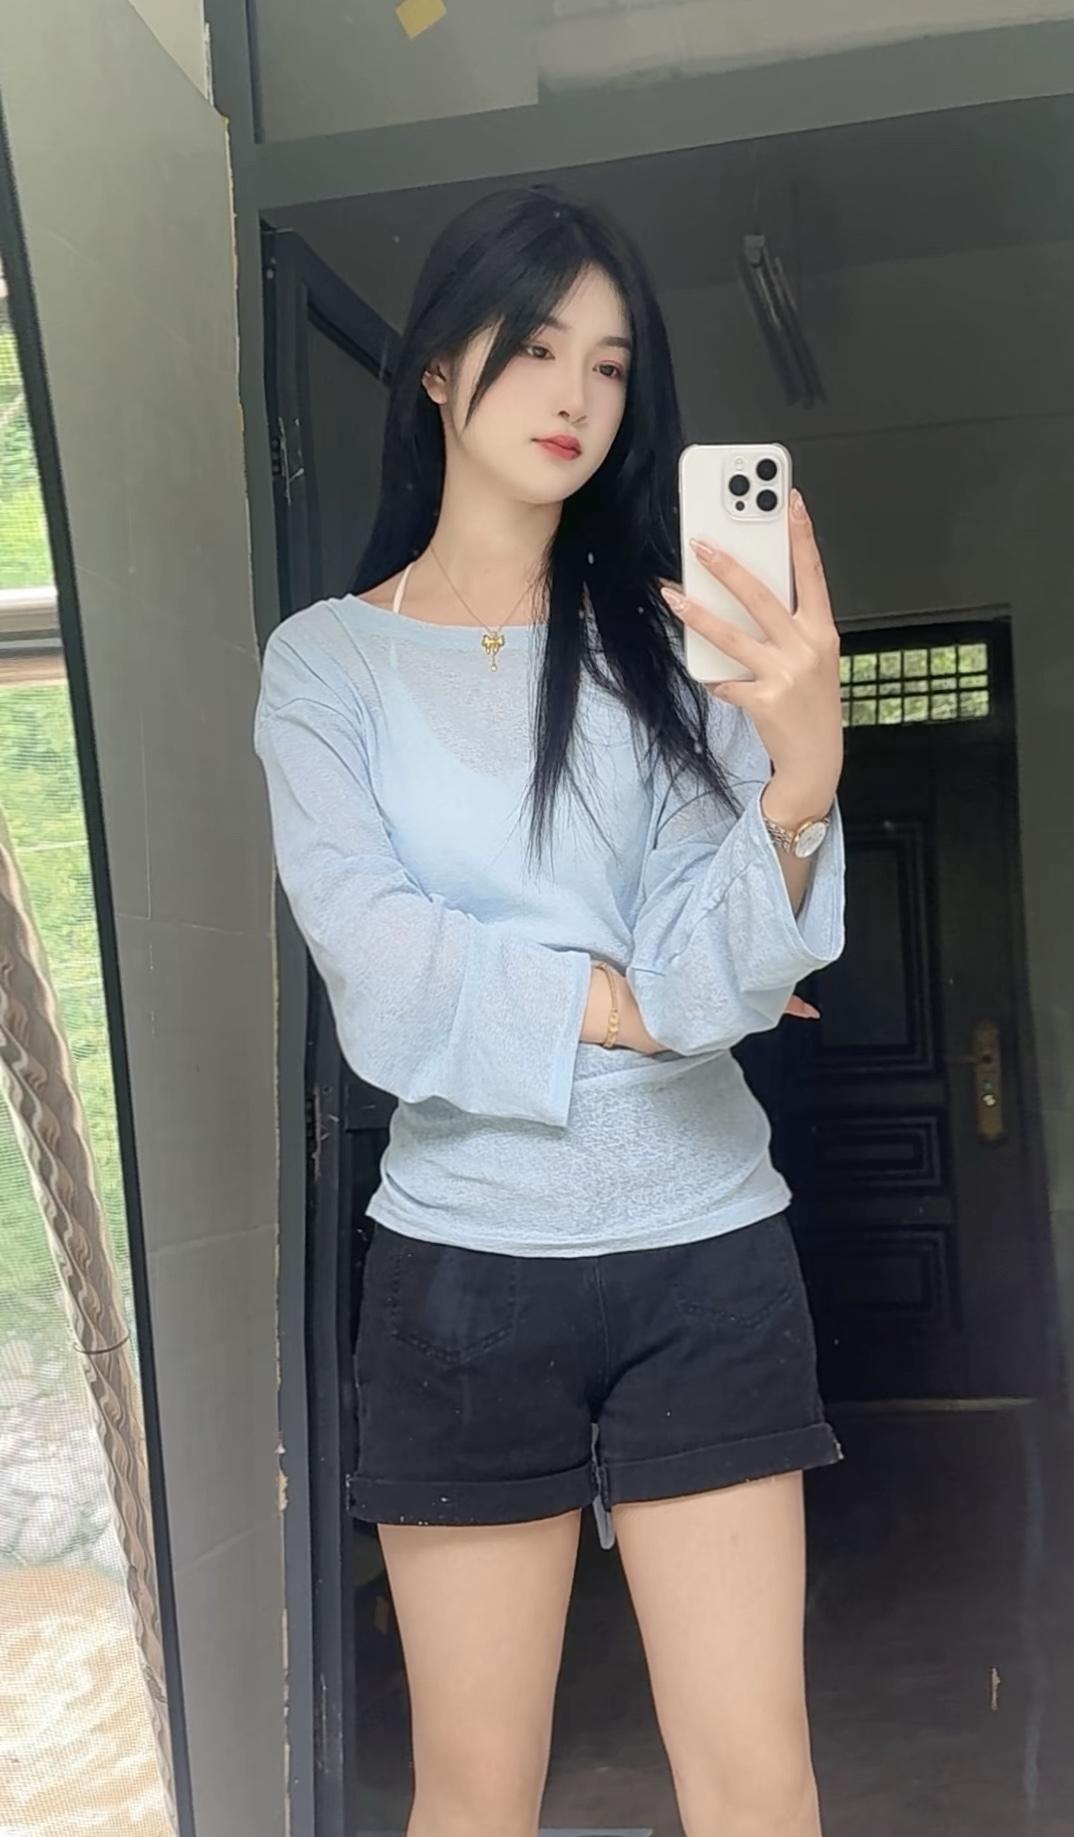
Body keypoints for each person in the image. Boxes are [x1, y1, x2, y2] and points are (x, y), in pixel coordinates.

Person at [254, 186, 846, 1837]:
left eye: (609, 361)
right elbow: (383, 972)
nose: (576, 394)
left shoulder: (674, 644)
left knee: (758, 1783)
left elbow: (733, 969)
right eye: (533, 349)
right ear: (440, 367)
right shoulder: (326, 668)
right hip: (461, 1269)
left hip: (707, 1247)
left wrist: (803, 771)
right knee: (473, 1792)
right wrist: (640, 1001)